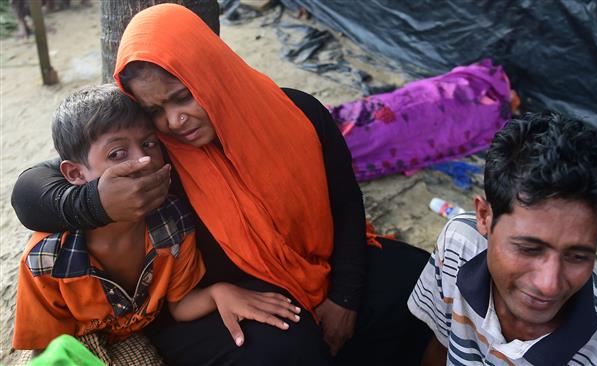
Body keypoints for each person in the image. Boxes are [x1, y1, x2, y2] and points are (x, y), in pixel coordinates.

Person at [11, 4, 431, 365]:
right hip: (201, 299)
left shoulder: (297, 115)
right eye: (155, 110)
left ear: (212, 71)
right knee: (286, 345)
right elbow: (31, 193)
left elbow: (345, 205)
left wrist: (344, 297)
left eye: (182, 96)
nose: (174, 120)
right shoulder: (156, 156)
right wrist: (96, 204)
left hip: (313, 260)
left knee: (416, 279)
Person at [12, 84, 299, 362]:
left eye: (149, 143)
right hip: (74, 346)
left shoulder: (171, 223)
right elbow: (47, 348)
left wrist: (216, 293)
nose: (144, 159)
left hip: (135, 341)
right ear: (75, 174)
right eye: (117, 154)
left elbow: (180, 303)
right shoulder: (47, 258)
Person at [408, 112, 597, 365]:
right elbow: (441, 348)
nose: (549, 285)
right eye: (529, 249)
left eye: (577, 256)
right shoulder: (458, 247)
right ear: (484, 217)